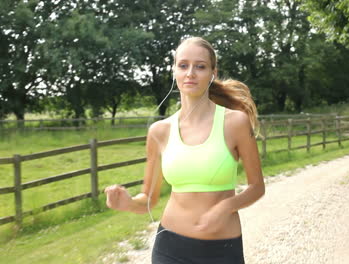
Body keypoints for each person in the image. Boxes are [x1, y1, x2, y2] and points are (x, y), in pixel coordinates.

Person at [104, 37, 265, 264]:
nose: (190, 73)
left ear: (213, 73)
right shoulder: (159, 131)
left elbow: (257, 188)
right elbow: (148, 200)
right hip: (170, 248)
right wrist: (128, 203)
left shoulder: (235, 122)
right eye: (183, 65)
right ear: (174, 71)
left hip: (222, 249)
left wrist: (225, 206)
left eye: (200, 66)